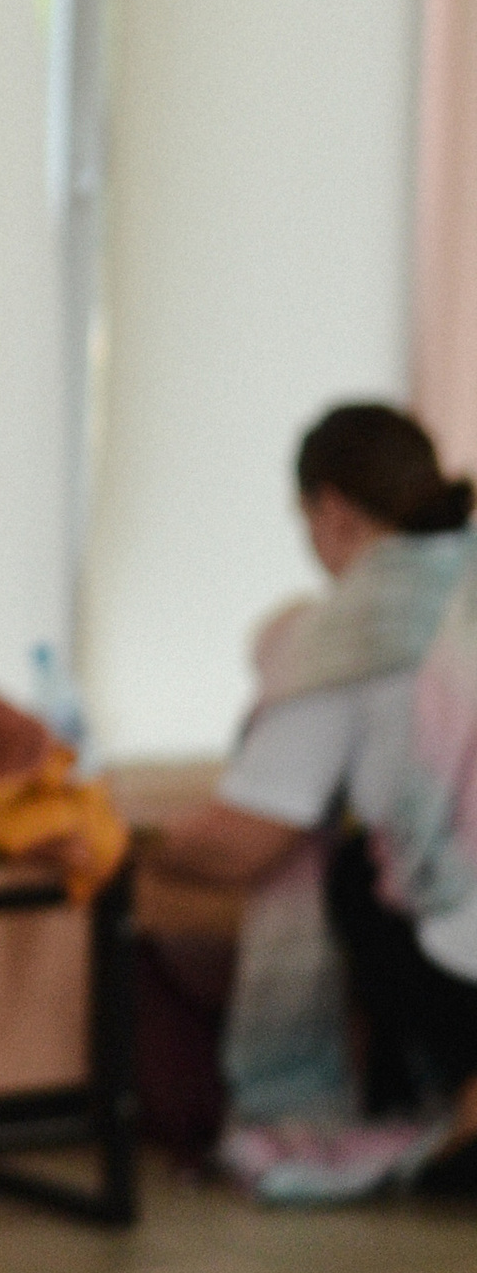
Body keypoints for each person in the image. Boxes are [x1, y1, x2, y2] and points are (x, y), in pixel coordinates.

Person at [164, 403, 477, 1199]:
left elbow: (249, 839)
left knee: (355, 876)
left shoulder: (352, 627)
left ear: (330, 510)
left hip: (461, 953)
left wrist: (136, 839)